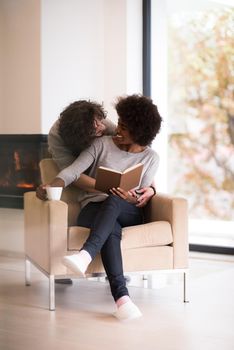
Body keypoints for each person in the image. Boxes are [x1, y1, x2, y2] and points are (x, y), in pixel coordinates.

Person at [37, 94, 162, 321]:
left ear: (137, 131)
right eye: (119, 124)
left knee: (115, 199)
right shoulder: (99, 143)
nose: (113, 129)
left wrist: (138, 196)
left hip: (128, 211)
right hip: (93, 210)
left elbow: (141, 192)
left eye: (123, 126)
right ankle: (122, 300)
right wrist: (53, 185)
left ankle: (85, 254)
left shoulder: (151, 157)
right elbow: (72, 171)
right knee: (110, 226)